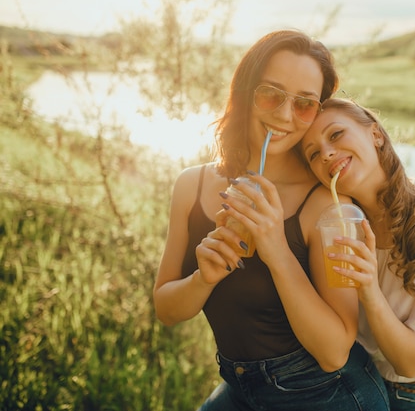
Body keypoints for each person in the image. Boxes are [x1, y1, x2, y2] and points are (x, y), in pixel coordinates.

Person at [153, 31, 389, 411]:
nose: (283, 115)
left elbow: (334, 353)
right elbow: (166, 310)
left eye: (304, 104)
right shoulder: (191, 186)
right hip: (240, 387)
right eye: (271, 94)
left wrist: (275, 245)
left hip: (327, 394)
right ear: (245, 91)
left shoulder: (326, 205)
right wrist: (203, 278)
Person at [300, 98, 415, 411]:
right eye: (313, 153)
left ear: (376, 135)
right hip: (354, 381)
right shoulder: (339, 222)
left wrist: (369, 290)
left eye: (335, 135)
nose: (326, 153)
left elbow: (410, 364)